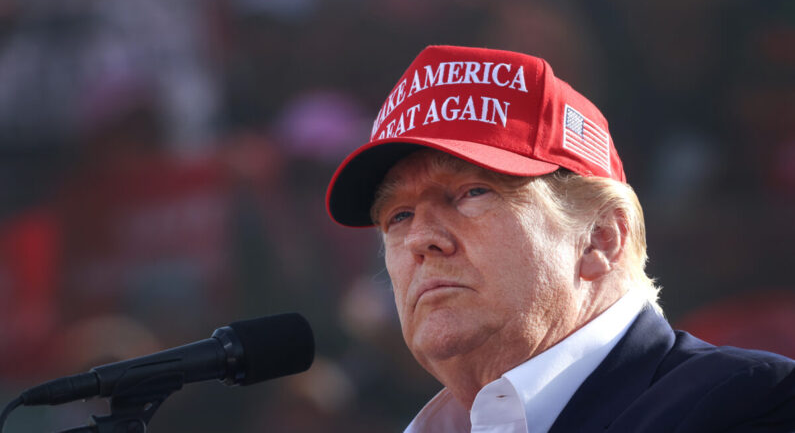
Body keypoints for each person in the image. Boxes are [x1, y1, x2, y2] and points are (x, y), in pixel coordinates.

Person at [324, 46, 795, 432]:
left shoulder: (749, 404)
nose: (421, 239)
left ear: (601, 238)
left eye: (471, 193)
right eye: (399, 215)